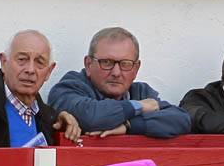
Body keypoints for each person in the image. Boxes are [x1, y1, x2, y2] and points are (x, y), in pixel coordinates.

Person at [48, 27, 190, 139]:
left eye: (125, 64)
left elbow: (181, 120)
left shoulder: (141, 92)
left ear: (136, 69)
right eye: (107, 62)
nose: (116, 72)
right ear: (88, 64)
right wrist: (138, 106)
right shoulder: (68, 87)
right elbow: (91, 118)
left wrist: (129, 126)